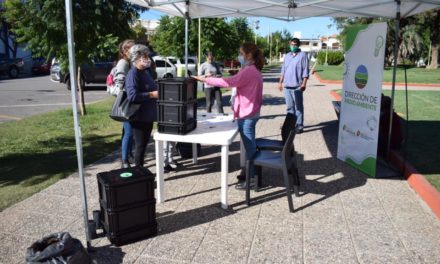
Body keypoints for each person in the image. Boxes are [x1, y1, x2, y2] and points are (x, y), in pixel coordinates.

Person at [193, 42, 264, 190]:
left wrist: (205, 79)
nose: (239, 56)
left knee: (250, 148)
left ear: (249, 55)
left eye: (241, 53)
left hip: (248, 115)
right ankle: (251, 172)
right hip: (250, 112)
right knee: (250, 146)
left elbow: (229, 82)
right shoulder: (252, 69)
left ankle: (253, 178)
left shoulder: (249, 70)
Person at [125, 44, 159, 167]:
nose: (148, 58)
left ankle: (141, 172)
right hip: (139, 117)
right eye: (145, 56)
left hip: (148, 116)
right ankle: (138, 173)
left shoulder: (145, 72)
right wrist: (152, 94)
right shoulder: (133, 74)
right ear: (137, 57)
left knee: (143, 146)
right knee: (140, 147)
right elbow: (132, 96)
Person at [278, 38, 309, 134]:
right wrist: (280, 82)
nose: (293, 46)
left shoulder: (303, 55)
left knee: (298, 107)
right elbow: (283, 70)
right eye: (291, 44)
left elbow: (305, 70)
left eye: (295, 44)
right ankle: (290, 124)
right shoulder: (287, 56)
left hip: (297, 86)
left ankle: (299, 125)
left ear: (298, 45)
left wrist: (304, 84)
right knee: (290, 107)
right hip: (287, 86)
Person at [114, 39, 135, 168]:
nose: (135, 51)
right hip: (127, 102)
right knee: (129, 131)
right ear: (125, 51)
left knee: (127, 131)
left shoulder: (130, 62)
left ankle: (128, 154)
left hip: (132, 101)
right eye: (132, 49)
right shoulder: (123, 63)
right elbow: (119, 84)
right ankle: (124, 161)